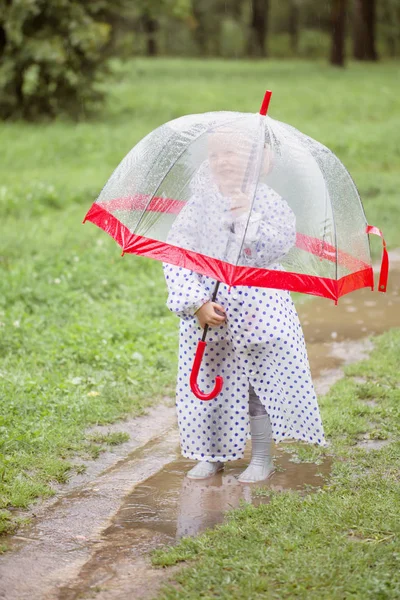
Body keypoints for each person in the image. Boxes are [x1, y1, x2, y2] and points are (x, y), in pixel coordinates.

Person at [163, 127, 325, 483]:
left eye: (231, 153)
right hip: (210, 315)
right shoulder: (199, 206)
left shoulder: (269, 204)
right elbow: (176, 255)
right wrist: (197, 302)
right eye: (215, 154)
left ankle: (262, 458)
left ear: (257, 162)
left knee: (257, 385)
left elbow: (273, 248)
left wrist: (244, 218)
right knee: (212, 383)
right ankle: (211, 454)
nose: (221, 161)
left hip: (258, 312)